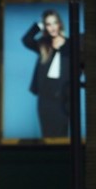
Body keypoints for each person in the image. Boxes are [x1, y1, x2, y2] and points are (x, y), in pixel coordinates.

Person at [22, 9, 70, 138]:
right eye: (48, 24)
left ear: (60, 24)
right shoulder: (43, 44)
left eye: (55, 23)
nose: (52, 27)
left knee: (61, 136)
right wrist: (39, 25)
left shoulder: (71, 45)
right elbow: (26, 39)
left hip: (63, 97)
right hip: (45, 98)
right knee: (47, 135)